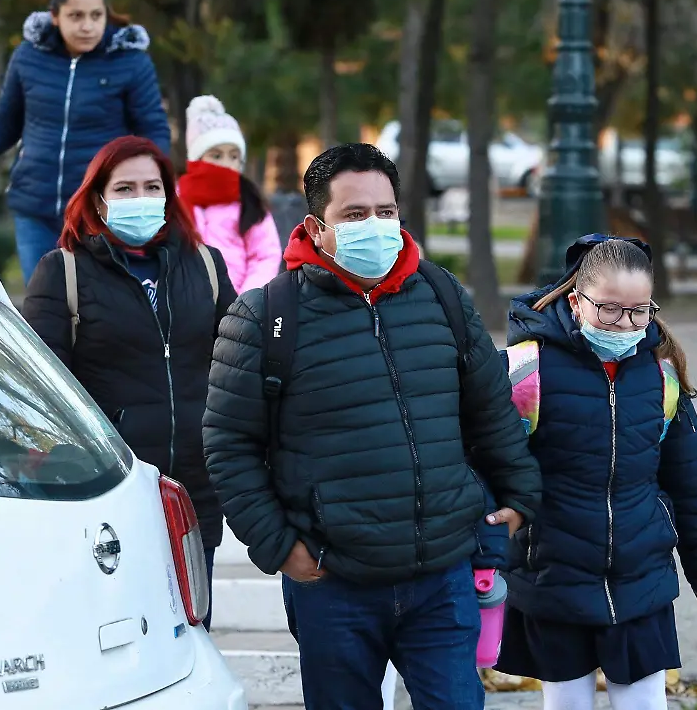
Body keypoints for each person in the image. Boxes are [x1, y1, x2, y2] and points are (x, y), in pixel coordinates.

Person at [203, 143, 541, 710]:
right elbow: (228, 446)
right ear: (315, 225)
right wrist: (280, 546)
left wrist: (520, 496)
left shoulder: (442, 296)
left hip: (442, 575)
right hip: (333, 585)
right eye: (355, 215)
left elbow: (490, 411)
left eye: (386, 212)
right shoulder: (265, 317)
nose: (376, 226)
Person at [495, 235, 697, 710]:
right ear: (575, 300)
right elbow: (487, 470)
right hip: (553, 577)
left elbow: (692, 485)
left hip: (640, 578)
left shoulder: (661, 375)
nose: (625, 324)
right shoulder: (525, 371)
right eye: (609, 309)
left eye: (639, 311)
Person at [21, 136, 235, 630]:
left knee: (193, 629)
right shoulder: (64, 272)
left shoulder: (205, 265)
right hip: (113, 493)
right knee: (122, 632)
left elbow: (237, 363)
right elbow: (42, 390)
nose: (140, 198)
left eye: (151, 186)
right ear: (99, 198)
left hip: (195, 490)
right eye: (125, 187)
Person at [0, 0, 171, 285]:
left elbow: (153, 130)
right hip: (35, 207)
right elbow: (4, 123)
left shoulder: (130, 62)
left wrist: (155, 185)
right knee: (44, 301)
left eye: (96, 15)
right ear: (55, 17)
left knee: (95, 304)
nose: (87, 25)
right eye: (76, 15)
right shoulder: (28, 58)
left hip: (96, 209)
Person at [176, 95, 282, 291]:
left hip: (238, 303)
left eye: (234, 156)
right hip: (186, 302)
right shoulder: (176, 198)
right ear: (197, 157)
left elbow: (265, 255)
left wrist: (246, 300)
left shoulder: (249, 201)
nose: (226, 163)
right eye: (216, 155)